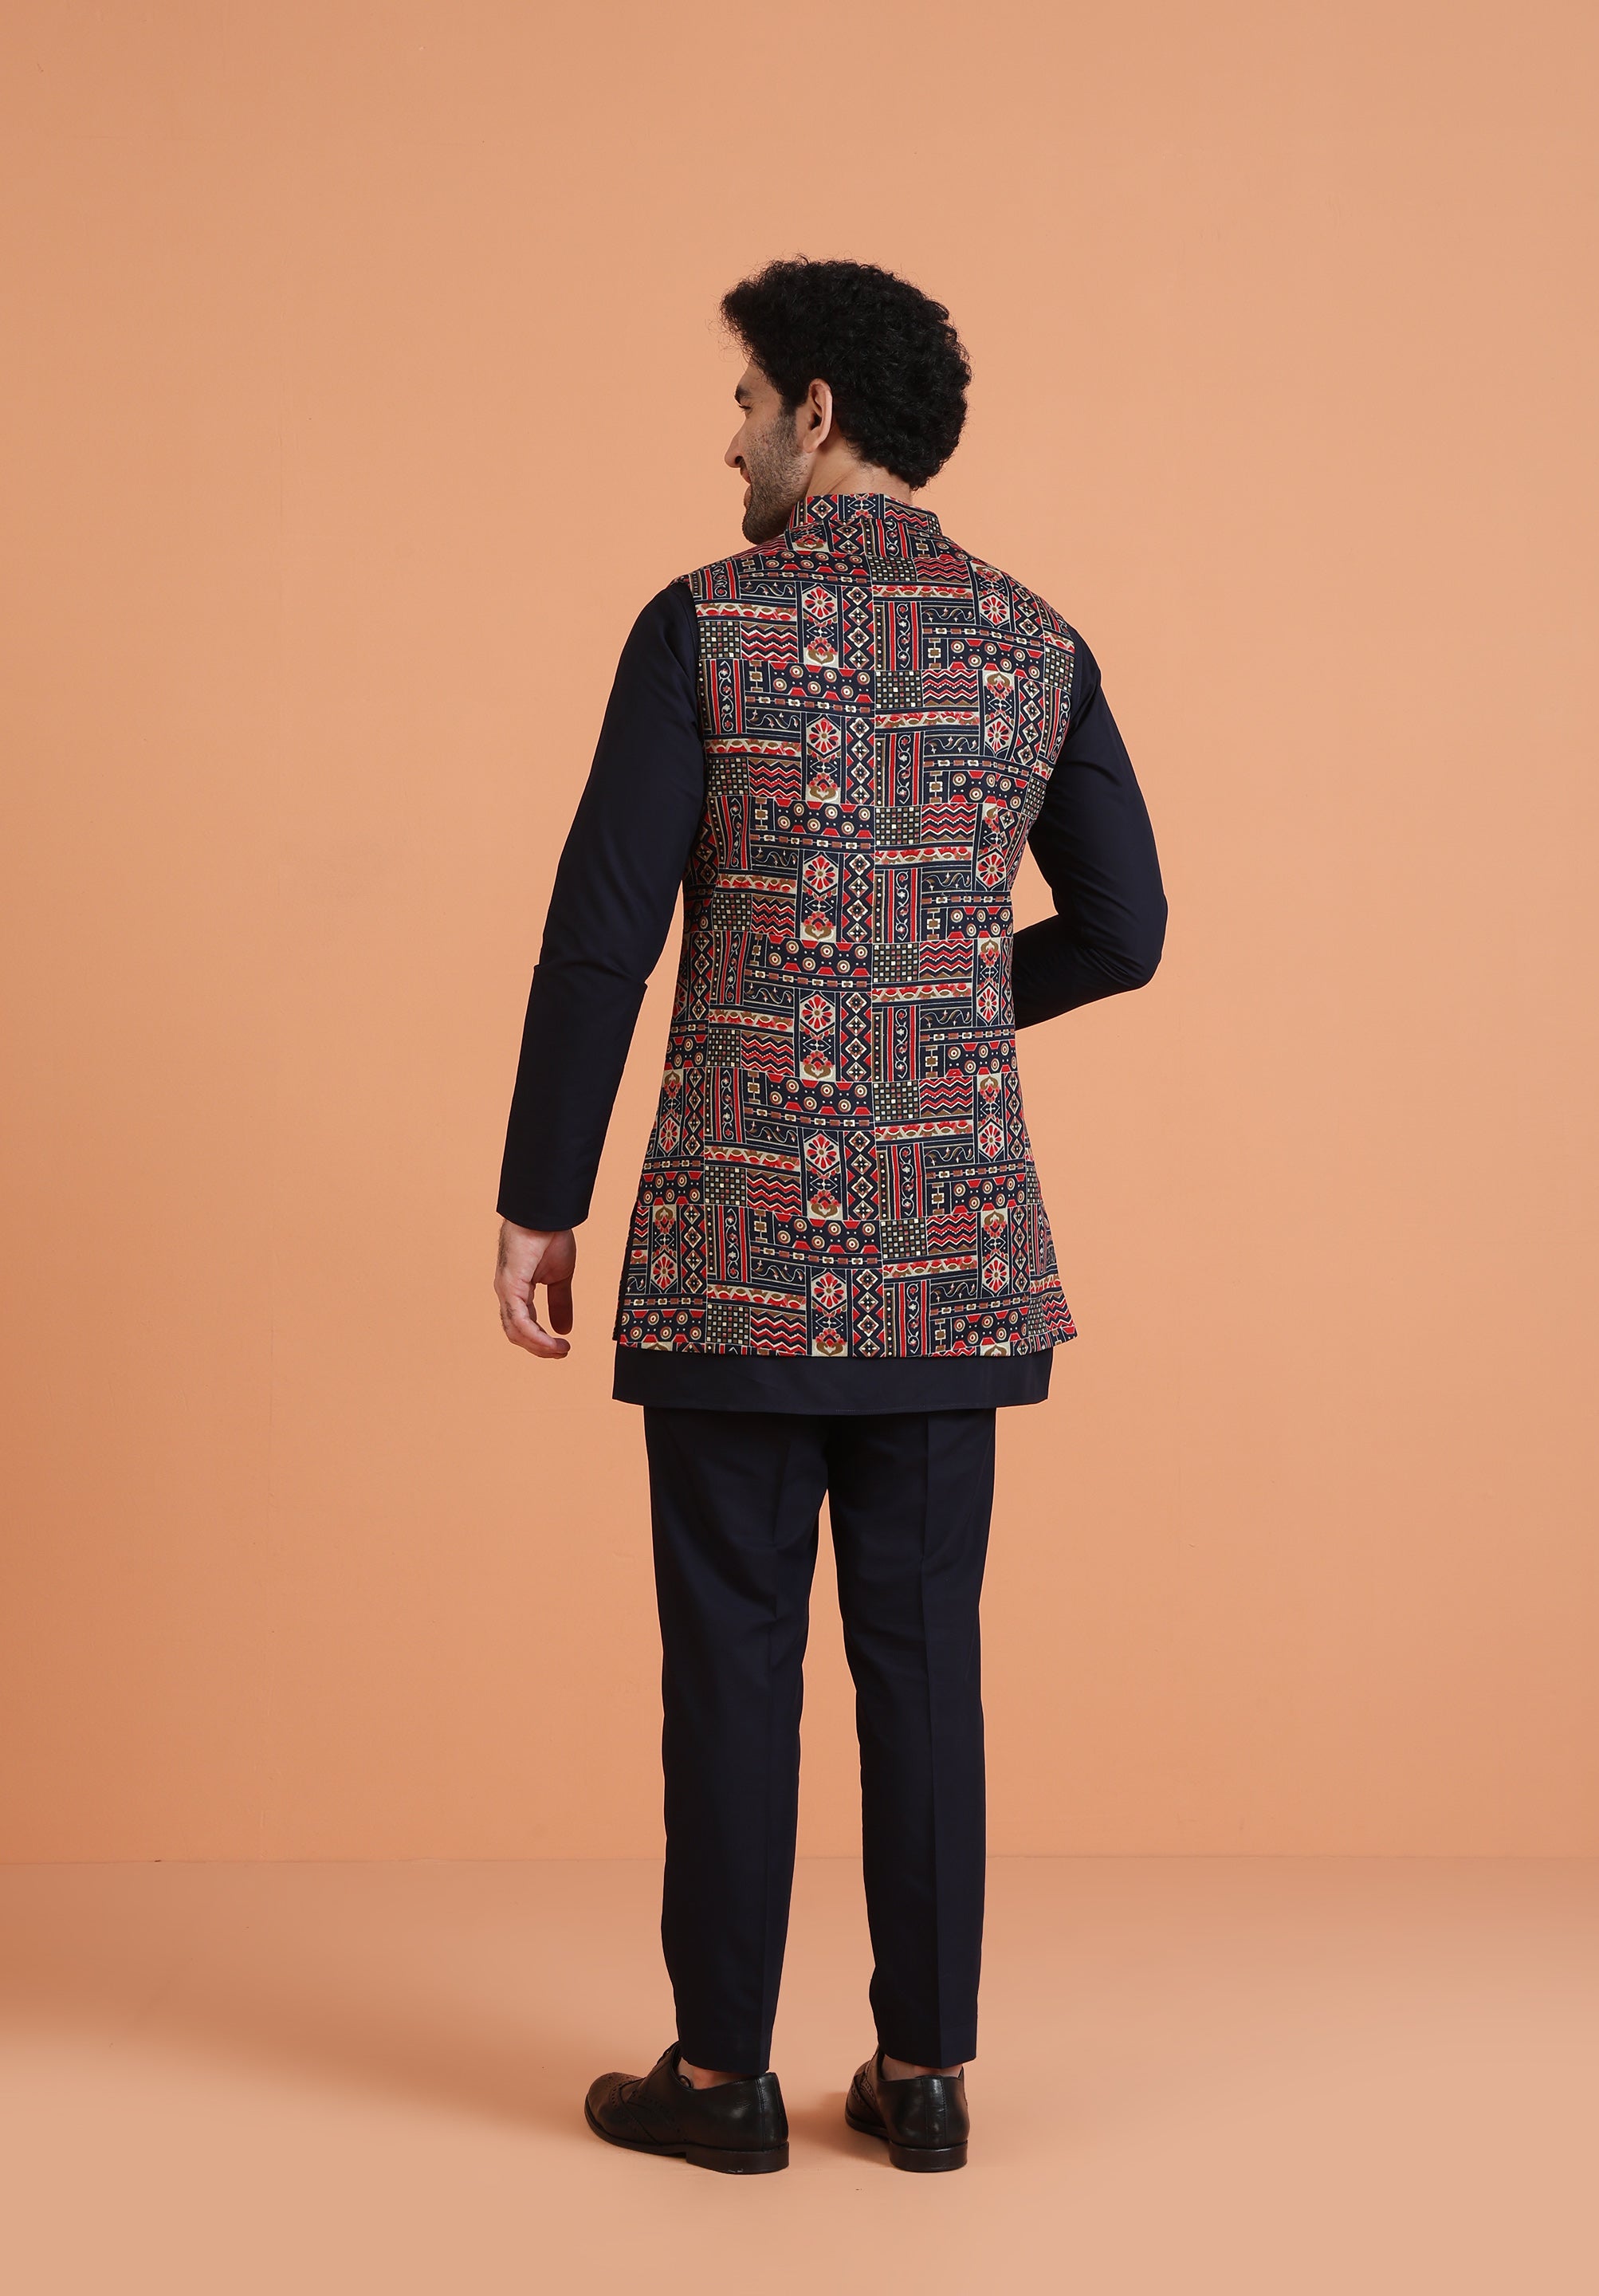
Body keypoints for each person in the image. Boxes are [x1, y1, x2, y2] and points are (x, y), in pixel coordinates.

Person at [494, 258, 1167, 2175]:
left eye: (741, 403)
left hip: (738, 1248)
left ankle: (721, 2084)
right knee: (924, 1659)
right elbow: (1128, 928)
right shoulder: (1034, 642)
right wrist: (939, 1004)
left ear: (815, 407)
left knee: (731, 1655)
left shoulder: (702, 628)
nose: (728, 441)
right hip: (951, 1258)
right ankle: (927, 2075)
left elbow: (603, 936)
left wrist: (542, 1200)